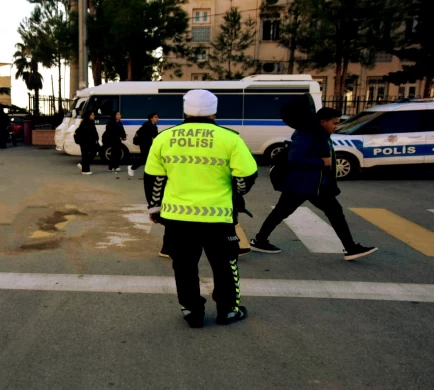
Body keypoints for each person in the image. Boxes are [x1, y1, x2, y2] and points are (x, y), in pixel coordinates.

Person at [144, 90, 258, 328]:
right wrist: (237, 192)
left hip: (177, 218)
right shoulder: (230, 138)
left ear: (185, 110)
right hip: (218, 217)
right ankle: (228, 310)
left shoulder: (165, 138)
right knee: (225, 265)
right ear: (214, 111)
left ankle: (192, 313)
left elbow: (154, 177)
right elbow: (246, 176)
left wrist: (154, 208)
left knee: (184, 268)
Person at [249, 102, 377, 261]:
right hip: (303, 184)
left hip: (312, 184)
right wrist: (321, 162)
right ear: (323, 121)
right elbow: (295, 159)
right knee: (330, 212)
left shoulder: (317, 133)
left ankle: (259, 240)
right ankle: (350, 248)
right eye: (334, 123)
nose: (336, 126)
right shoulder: (307, 134)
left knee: (286, 212)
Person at [128, 113, 159, 178]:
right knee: (144, 158)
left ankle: (149, 173)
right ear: (151, 118)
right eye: (155, 117)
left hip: (148, 143)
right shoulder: (147, 125)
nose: (157, 119)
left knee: (148, 158)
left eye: (157, 117)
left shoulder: (154, 125)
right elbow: (148, 135)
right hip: (144, 144)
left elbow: (155, 136)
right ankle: (132, 168)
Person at [75, 111, 99, 175]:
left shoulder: (91, 122)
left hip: (91, 142)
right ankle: (85, 170)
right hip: (84, 142)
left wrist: (96, 139)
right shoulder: (84, 123)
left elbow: (94, 132)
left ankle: (82, 164)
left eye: (93, 115)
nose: (93, 116)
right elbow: (84, 133)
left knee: (93, 153)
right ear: (88, 116)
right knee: (85, 155)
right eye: (92, 115)